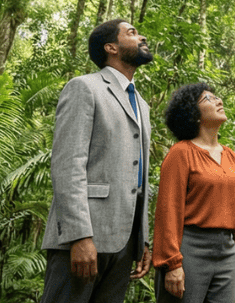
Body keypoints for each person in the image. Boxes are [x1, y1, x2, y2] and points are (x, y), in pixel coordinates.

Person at [40, 19, 155, 303]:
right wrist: (79, 236)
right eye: (131, 33)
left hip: (125, 242)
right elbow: (68, 165)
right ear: (111, 47)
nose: (141, 37)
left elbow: (139, 177)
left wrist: (143, 240)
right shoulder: (84, 88)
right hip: (83, 238)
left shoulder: (142, 104)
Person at [152, 83, 235, 303]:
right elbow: (168, 211)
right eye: (208, 99)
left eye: (217, 97)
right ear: (193, 114)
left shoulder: (230, 156)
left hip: (227, 252)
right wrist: (171, 263)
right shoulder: (181, 153)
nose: (218, 101)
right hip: (190, 249)